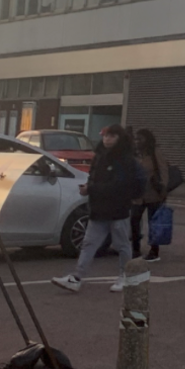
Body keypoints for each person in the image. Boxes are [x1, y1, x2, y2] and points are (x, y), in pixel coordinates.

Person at [52, 124, 144, 294]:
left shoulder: (125, 160)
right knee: (89, 243)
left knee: (121, 244)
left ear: (119, 138)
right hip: (100, 208)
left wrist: (91, 189)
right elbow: (96, 178)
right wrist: (89, 186)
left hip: (117, 209)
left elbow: (119, 185)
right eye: (105, 136)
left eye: (112, 136)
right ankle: (76, 278)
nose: (107, 139)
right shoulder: (101, 156)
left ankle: (125, 277)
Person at [130, 128, 170, 263]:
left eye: (140, 139)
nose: (137, 142)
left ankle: (154, 250)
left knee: (154, 223)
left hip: (153, 194)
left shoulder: (154, 153)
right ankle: (135, 248)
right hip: (137, 195)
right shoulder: (135, 154)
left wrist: (164, 188)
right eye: (136, 139)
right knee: (134, 221)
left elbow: (163, 171)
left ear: (147, 140)